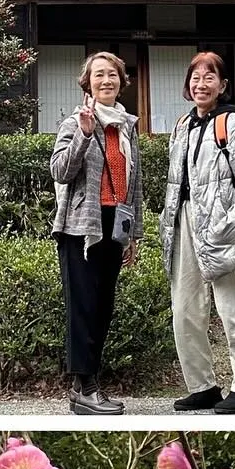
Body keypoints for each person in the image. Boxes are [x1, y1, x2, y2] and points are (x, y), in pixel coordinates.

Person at [161, 51, 235, 414]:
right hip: (185, 222)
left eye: (209, 77)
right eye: (195, 77)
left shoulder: (233, 125)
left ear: (222, 85)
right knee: (185, 308)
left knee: (233, 308)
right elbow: (175, 185)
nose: (200, 84)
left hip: (226, 226)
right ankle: (202, 386)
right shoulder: (181, 126)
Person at [50, 51, 143, 415]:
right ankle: (83, 386)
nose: (106, 81)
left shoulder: (126, 127)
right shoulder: (77, 122)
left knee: (103, 307)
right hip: (80, 228)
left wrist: (133, 233)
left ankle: (87, 386)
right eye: (99, 75)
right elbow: (60, 170)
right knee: (83, 307)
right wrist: (85, 136)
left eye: (113, 75)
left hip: (114, 224)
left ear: (122, 81)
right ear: (87, 83)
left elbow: (135, 185)